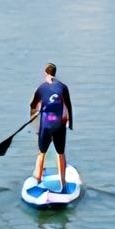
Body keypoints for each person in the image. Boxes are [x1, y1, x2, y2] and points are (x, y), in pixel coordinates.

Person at [29, 63, 74, 191]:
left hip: (46, 124)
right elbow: (68, 106)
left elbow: (33, 105)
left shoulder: (41, 88)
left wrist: (35, 122)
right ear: (55, 72)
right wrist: (70, 124)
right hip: (59, 124)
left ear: (45, 72)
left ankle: (37, 180)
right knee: (60, 153)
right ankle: (63, 182)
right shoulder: (63, 87)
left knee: (41, 153)